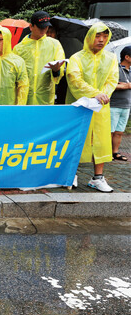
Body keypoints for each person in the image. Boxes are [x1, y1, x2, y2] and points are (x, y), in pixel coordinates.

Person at [66, 23, 119, 192]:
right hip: (79, 105)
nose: (101, 40)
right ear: (89, 37)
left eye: (104, 36)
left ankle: (98, 178)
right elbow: (75, 80)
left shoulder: (110, 58)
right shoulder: (77, 58)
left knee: (101, 141)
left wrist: (103, 95)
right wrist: (95, 93)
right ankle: (71, 174)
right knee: (77, 139)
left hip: (101, 107)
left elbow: (112, 80)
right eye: (97, 36)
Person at [13, 11, 66, 105]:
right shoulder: (19, 48)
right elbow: (14, 72)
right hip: (24, 97)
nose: (44, 30)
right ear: (31, 27)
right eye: (40, 27)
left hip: (45, 96)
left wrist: (56, 70)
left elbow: (60, 69)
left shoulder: (54, 45)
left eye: (46, 27)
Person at [111, 46, 131, 162]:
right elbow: (109, 85)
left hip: (126, 106)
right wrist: (125, 86)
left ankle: (115, 152)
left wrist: (124, 85)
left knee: (119, 132)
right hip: (113, 105)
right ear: (127, 57)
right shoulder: (115, 69)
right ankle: (106, 153)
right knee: (111, 131)